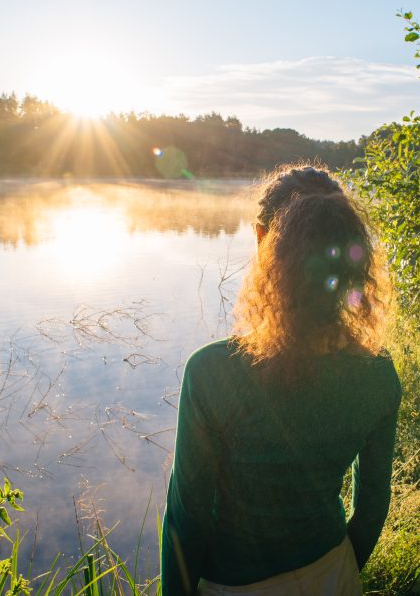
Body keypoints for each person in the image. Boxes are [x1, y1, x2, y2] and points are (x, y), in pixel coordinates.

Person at [160, 164, 401, 595]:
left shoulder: (212, 372)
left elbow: (186, 521)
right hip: (333, 572)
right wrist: (342, 570)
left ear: (260, 239)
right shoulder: (378, 372)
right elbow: (371, 507)